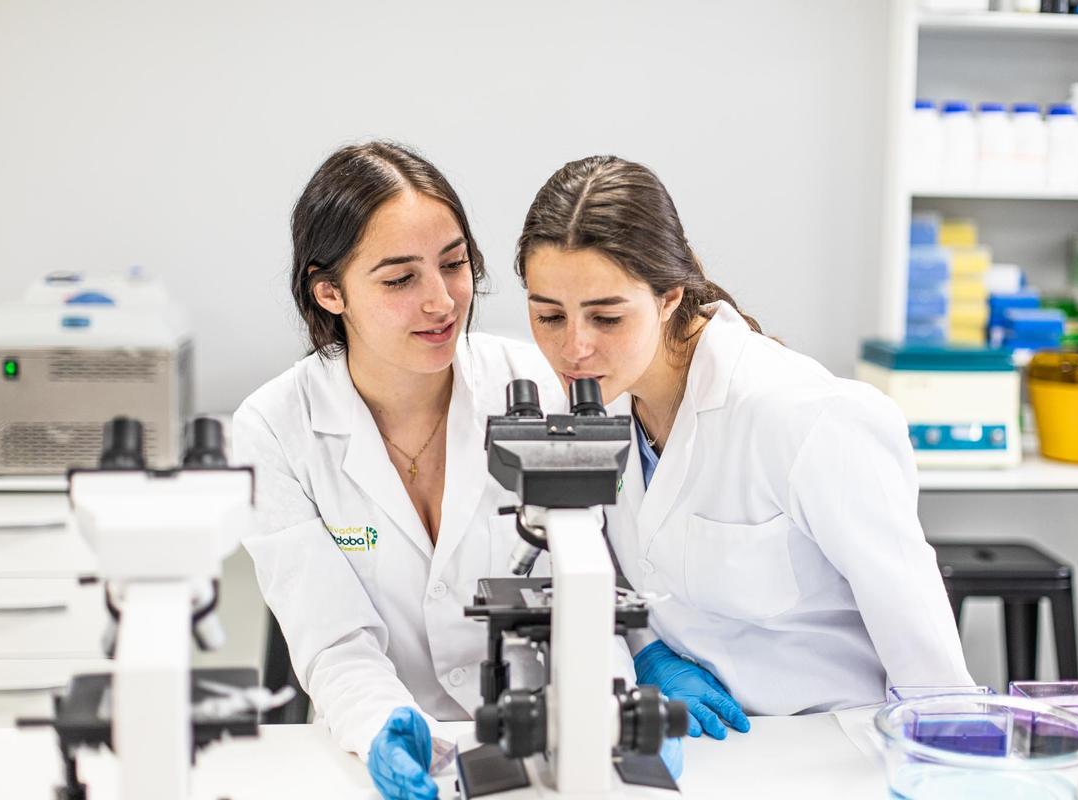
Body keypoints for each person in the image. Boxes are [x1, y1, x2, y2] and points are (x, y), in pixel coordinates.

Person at [232, 142, 669, 800]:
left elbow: (590, 592)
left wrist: (608, 711)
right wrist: (384, 727)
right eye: (400, 280)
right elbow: (335, 638)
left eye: (454, 264)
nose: (442, 302)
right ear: (330, 291)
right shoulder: (272, 430)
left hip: (549, 742)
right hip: (384, 748)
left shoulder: (540, 384)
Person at [512, 155, 973, 733]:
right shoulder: (600, 400)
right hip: (703, 737)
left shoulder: (803, 417)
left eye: (606, 318)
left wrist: (945, 753)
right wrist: (648, 651)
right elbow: (616, 568)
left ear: (669, 296)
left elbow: (927, 660)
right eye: (549, 316)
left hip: (831, 740)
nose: (574, 348)